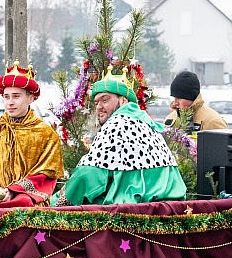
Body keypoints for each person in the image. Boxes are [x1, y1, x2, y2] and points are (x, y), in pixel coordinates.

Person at [53, 67, 187, 205]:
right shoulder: (148, 124)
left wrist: (59, 201)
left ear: (123, 101)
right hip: (170, 207)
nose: (99, 106)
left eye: (105, 100)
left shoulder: (117, 123)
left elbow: (89, 174)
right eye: (96, 102)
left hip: (129, 211)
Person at [0, 62, 63, 210]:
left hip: (24, 197)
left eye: (16, 96)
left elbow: (46, 174)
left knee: (24, 203)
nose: (10, 103)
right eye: (6, 97)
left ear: (31, 98)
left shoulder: (46, 134)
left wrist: (13, 191)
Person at [163, 70, 227, 132]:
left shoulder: (213, 121)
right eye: (174, 97)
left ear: (191, 97)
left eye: (179, 98)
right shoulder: (170, 119)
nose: (175, 103)